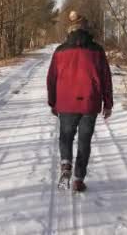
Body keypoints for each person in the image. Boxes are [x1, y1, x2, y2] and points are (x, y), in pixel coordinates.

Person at [46, 11, 113, 192]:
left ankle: (66, 164)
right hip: (90, 102)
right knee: (85, 141)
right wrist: (108, 103)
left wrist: (53, 102)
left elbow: (51, 78)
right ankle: (78, 179)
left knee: (66, 137)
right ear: (86, 29)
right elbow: (106, 78)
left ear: (70, 30)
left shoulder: (60, 51)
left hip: (66, 102)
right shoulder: (97, 50)